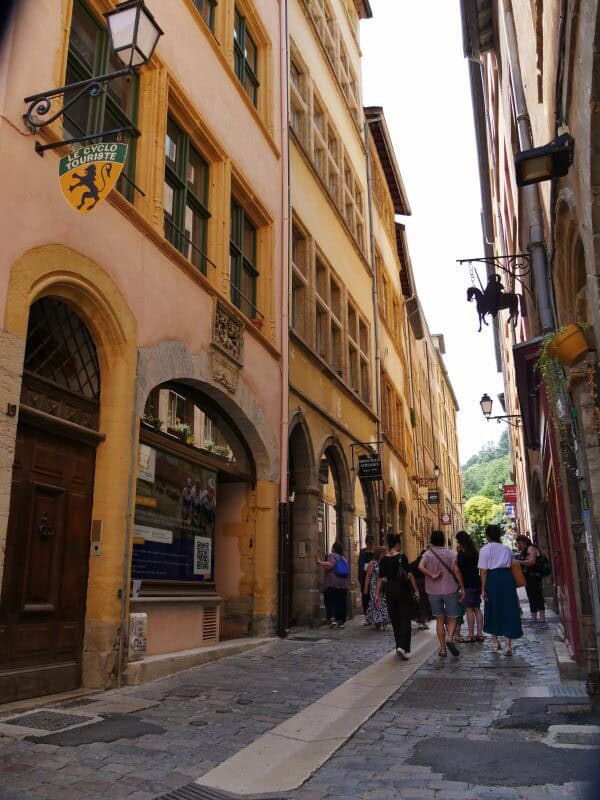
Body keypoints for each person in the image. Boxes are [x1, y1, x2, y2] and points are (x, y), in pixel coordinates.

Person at [419, 530, 465, 658]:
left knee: (439, 619)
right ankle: (450, 637)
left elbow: (420, 567)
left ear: (432, 540)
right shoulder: (451, 553)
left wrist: (432, 575)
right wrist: (462, 587)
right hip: (450, 589)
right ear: (443, 540)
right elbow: (456, 571)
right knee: (453, 617)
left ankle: (443, 649)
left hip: (433, 591)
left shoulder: (428, 554)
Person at [478, 524, 523, 655]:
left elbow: (484, 571)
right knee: (509, 608)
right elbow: (511, 564)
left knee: (492, 608)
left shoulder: (485, 550)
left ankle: (495, 642)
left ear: (487, 535)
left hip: (493, 579)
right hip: (507, 579)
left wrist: (483, 589)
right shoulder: (506, 549)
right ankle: (508, 645)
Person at [375, 534, 418, 659]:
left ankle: (398, 645)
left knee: (395, 619)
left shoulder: (383, 560)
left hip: (389, 590)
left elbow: (380, 579)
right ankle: (402, 647)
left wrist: (377, 594)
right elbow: (409, 575)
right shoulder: (402, 557)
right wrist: (416, 590)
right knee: (405, 618)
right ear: (397, 544)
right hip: (402, 590)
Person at [456, 530, 484, 642]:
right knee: (477, 608)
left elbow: (458, 568)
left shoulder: (462, 554)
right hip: (477, 582)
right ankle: (480, 634)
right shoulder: (475, 552)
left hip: (467, 584)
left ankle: (471, 635)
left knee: (468, 609)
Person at [515, 534, 546, 625]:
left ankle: (542, 618)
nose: (518, 545)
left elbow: (531, 562)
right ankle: (534, 618)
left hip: (534, 577)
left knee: (537, 596)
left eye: (519, 543)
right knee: (531, 597)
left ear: (523, 542)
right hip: (528, 577)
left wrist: (519, 562)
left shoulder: (531, 548)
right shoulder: (525, 550)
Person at [317, 540, 348, 628]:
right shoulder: (343, 558)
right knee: (341, 602)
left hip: (333, 583)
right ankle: (341, 620)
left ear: (334, 548)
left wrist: (319, 562)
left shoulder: (332, 556)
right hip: (343, 584)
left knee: (330, 600)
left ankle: (332, 619)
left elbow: (330, 565)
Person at [364, 546, 390, 629]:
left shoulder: (385, 563)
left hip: (384, 587)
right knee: (376, 604)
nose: (385, 554)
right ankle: (378, 622)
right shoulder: (372, 563)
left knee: (384, 604)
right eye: (384, 553)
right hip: (374, 587)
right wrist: (365, 588)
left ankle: (384, 622)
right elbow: (368, 576)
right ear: (379, 553)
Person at [409, 550, 431, 629]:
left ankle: (421, 620)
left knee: (418, 603)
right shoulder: (426, 563)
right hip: (424, 585)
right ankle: (422, 621)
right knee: (424, 603)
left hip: (415, 585)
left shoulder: (413, 563)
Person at [358, 534, 375, 620]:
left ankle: (373, 614)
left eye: (371, 543)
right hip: (364, 576)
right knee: (365, 596)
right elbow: (360, 564)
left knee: (373, 596)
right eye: (368, 543)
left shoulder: (376, 552)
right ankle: (367, 615)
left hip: (374, 577)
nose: (370, 545)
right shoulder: (362, 552)